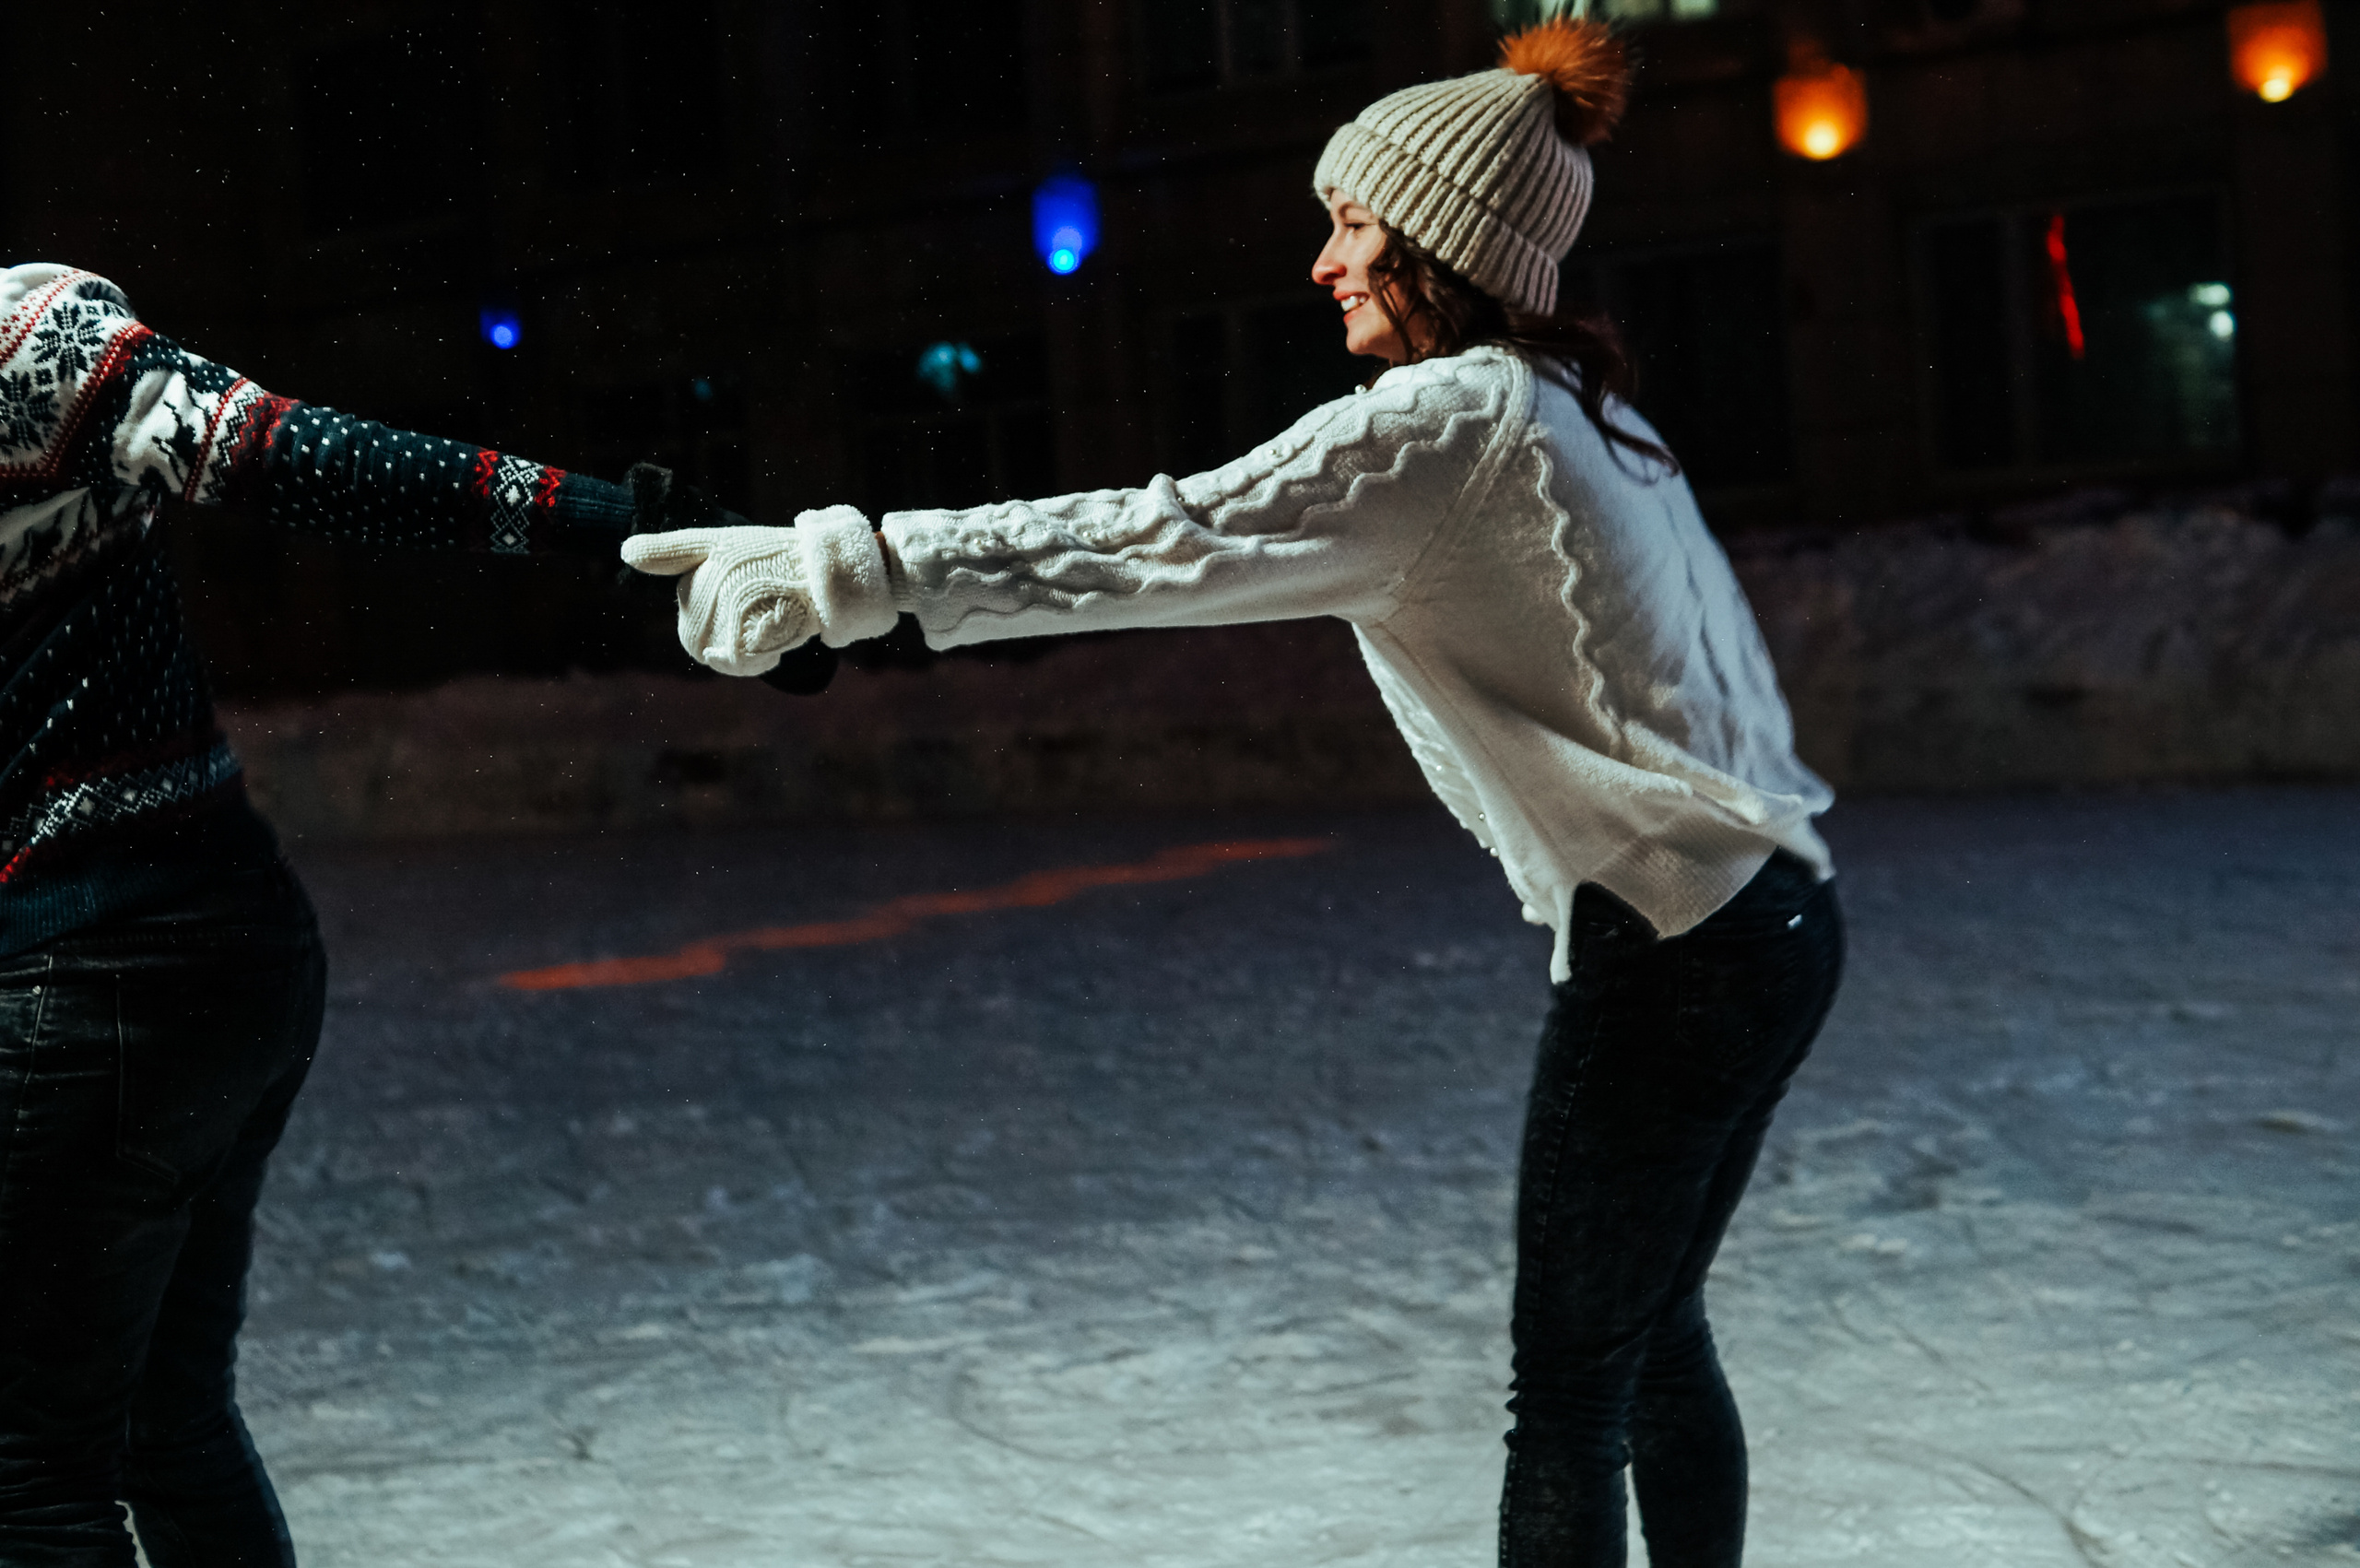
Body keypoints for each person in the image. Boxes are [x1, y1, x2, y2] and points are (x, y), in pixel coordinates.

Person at [625, 18, 1842, 1567]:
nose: (1325, 262)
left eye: (1354, 223)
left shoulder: (1449, 426)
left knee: (1570, 1393)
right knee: (1651, 1335)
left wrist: (844, 570)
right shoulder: (1582, 410)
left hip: (1675, 952)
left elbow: (1161, 539)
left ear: (1444, 244)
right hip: (1775, 918)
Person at [0, 263, 772, 1567]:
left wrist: (625, 527)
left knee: (26, 1481)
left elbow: (295, 454)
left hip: (99, 980)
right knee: (160, 1422)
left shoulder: (21, 343)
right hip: (205, 955)